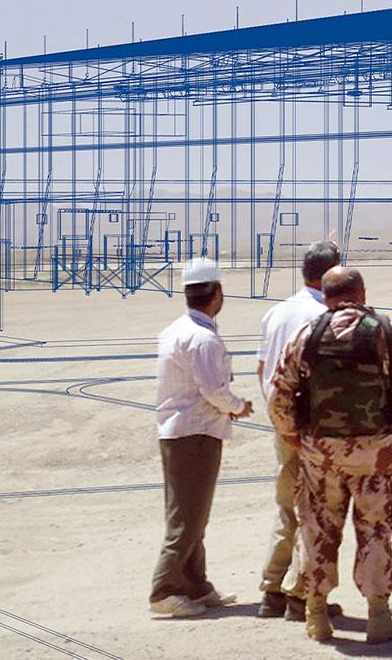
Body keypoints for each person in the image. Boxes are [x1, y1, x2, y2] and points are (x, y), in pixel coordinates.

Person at [269, 267, 392, 644]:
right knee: (374, 530)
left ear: (326, 297)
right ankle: (378, 616)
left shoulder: (306, 334)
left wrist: (297, 439)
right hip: (375, 456)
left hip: (320, 456)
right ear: (361, 293)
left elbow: (278, 397)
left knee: (317, 530)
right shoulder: (386, 334)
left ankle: (317, 615)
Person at [149, 257, 252, 617]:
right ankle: (164, 590)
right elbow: (213, 391)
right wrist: (238, 406)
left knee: (192, 514)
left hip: (181, 431)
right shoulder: (203, 338)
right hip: (195, 433)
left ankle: (195, 584)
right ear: (217, 293)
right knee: (187, 519)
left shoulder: (176, 330)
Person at [254, 241, 344, 620]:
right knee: (316, 510)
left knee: (286, 504)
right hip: (312, 426)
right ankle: (301, 594)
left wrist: (279, 418)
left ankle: (272, 588)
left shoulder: (276, 313)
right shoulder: (323, 315)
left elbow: (263, 370)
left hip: (281, 422)